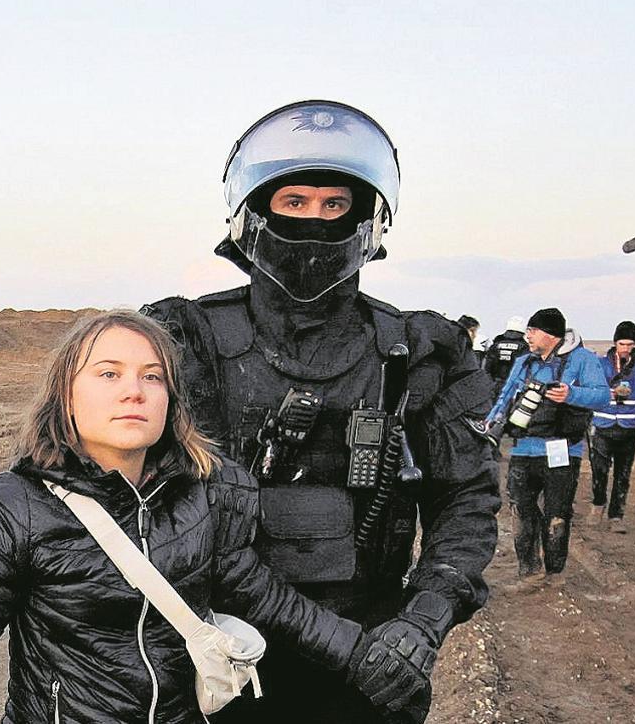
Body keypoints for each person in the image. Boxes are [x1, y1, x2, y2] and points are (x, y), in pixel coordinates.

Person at [142, 100, 501, 723]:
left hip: (371, 654)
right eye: (295, 203)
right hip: (215, 653)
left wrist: (423, 621)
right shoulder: (182, 339)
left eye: (335, 205)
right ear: (256, 212)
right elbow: (101, 479)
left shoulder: (417, 350)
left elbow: (466, 498)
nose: (316, 223)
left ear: (367, 220)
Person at [0, 311, 436, 723]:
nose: (134, 390)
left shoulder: (203, 495)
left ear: (170, 398)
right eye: (109, 373)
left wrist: (363, 655)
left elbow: (263, 596)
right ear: (66, 393)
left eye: (152, 377)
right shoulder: (16, 507)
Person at [486, 308, 609, 588]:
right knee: (521, 511)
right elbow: (506, 395)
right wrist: (491, 421)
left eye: (533, 330)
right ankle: (529, 571)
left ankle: (554, 573)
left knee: (557, 513)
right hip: (523, 449)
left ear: (551, 335)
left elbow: (602, 396)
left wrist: (572, 394)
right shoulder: (523, 361)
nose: (527, 336)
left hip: (562, 450)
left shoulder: (583, 359)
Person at [589, 321, 635, 529]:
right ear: (615, 342)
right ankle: (597, 505)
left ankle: (616, 517)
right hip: (603, 425)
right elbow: (588, 391)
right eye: (622, 343)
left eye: (629, 344)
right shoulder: (600, 364)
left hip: (631, 427)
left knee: (623, 474)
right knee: (599, 471)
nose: (626, 348)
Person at [484, 316, 529, 401]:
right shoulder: (524, 347)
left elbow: (487, 368)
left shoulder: (495, 345)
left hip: (494, 386)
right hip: (513, 388)